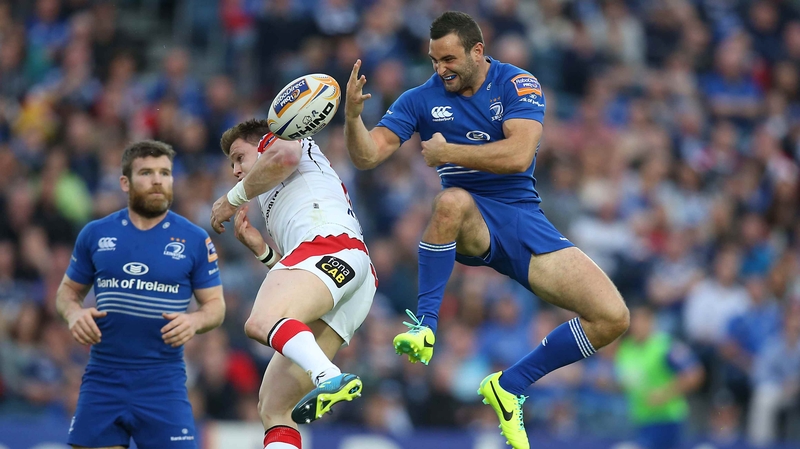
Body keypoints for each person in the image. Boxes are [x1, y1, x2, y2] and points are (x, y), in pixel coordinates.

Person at [343, 11, 629, 449]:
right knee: (451, 201)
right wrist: (352, 120)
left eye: (449, 59)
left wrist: (447, 151)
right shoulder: (419, 99)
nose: (441, 69)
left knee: (612, 317)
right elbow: (368, 156)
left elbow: (518, 155)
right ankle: (425, 324)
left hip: (523, 221)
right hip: (472, 221)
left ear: (478, 51)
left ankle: (509, 386)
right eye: (434, 60)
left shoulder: (519, 84)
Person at [209, 120, 376, 449]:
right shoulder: (274, 193)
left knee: (261, 320)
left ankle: (327, 376)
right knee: (274, 407)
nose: (235, 169)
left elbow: (283, 155)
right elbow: (306, 284)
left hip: (331, 246)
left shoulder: (281, 139)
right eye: (231, 163)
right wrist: (263, 252)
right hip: (350, 272)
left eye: (239, 157)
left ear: (261, 144)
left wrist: (231, 199)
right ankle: (325, 374)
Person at [56, 140, 226, 449]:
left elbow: (215, 306)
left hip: (163, 382)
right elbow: (67, 292)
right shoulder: (96, 233)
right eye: (147, 172)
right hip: (103, 378)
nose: (158, 180)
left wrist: (194, 322)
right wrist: (73, 313)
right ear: (125, 182)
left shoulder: (194, 239)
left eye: (165, 172)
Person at [615, 304, 704, 449]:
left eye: (641, 321)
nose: (637, 326)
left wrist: (665, 393)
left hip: (666, 419)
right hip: (639, 418)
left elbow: (694, 373)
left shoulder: (664, 346)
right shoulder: (626, 349)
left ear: (651, 322)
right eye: (634, 321)